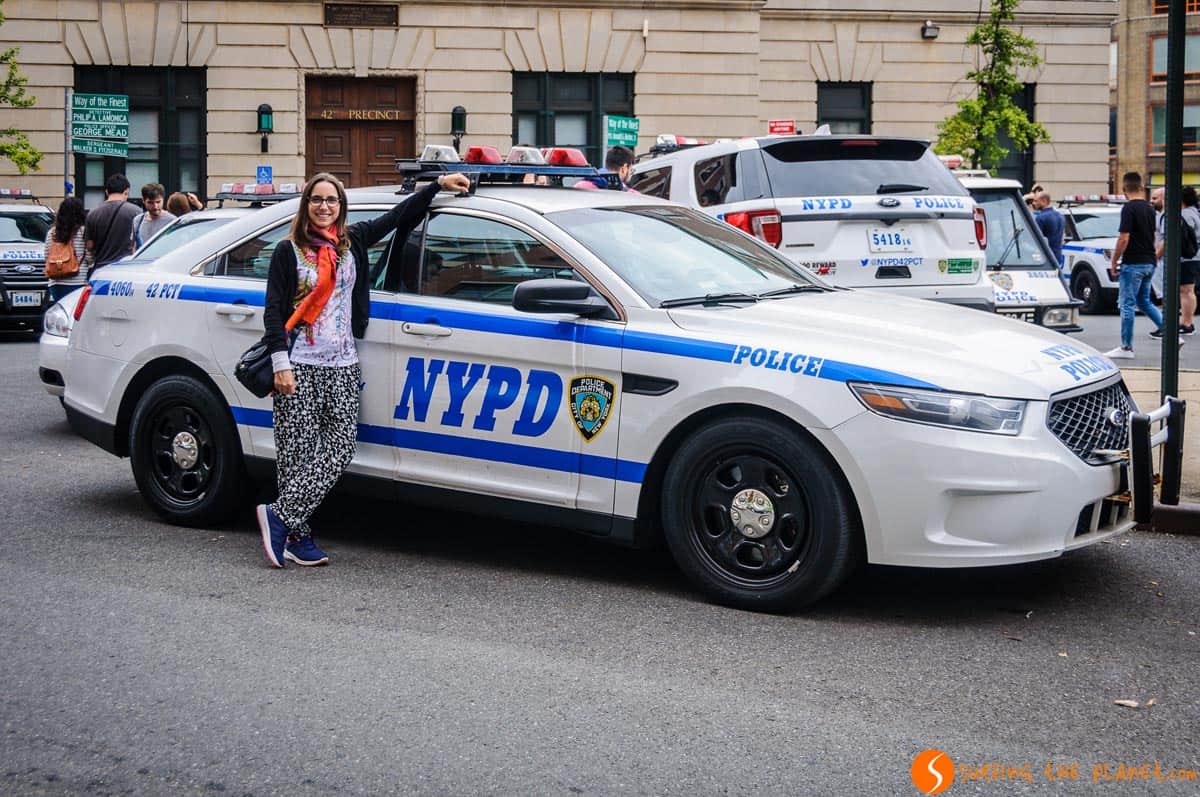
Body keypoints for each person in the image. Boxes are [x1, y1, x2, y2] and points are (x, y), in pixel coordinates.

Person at [256, 169, 471, 568]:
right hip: (299, 362)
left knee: (339, 448)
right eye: (317, 200)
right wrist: (280, 364)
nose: (324, 207)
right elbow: (273, 312)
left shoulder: (350, 243)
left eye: (331, 200)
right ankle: (298, 537)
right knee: (297, 455)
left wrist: (437, 186)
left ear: (341, 206)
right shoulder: (287, 252)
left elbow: (399, 216)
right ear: (306, 206)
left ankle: (279, 516)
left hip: (342, 363)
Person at [1105, 172, 1170, 359]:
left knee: (1127, 304)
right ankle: (1171, 335)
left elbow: (1124, 238)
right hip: (1149, 261)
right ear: (1141, 187)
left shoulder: (1128, 209)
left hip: (1133, 263)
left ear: (1124, 189)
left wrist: (1114, 260)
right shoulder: (1151, 209)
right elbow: (1153, 236)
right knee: (1144, 302)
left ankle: (1126, 348)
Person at [84, 173, 140, 270]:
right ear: (126, 191)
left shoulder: (93, 213)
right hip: (126, 267)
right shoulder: (136, 212)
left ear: (106, 192)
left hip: (101, 268)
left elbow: (89, 245)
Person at [42, 196, 92, 302]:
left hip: (55, 282)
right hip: (77, 280)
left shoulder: (52, 232)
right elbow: (89, 257)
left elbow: (47, 255)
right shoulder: (83, 231)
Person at [130, 182, 175, 253]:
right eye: (150, 202)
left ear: (163, 199)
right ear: (143, 201)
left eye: (158, 202)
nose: (155, 206)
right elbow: (134, 247)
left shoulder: (172, 221)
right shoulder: (138, 220)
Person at [574, 146, 638, 192]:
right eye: (631, 170)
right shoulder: (632, 196)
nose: (631, 174)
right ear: (624, 168)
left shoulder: (579, 186)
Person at [1033, 190, 1065, 267]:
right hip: (1058, 257)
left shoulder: (1041, 218)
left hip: (1045, 259)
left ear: (1044, 201)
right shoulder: (1061, 216)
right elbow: (1062, 238)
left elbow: (1035, 239)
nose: (1034, 203)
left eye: (1036, 201)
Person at [1151, 187, 1166, 303]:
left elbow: (1165, 240)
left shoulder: (1165, 216)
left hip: (1161, 259)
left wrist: (1155, 256)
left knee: (1163, 291)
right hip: (1160, 258)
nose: (1152, 201)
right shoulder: (1159, 215)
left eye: (1155, 198)